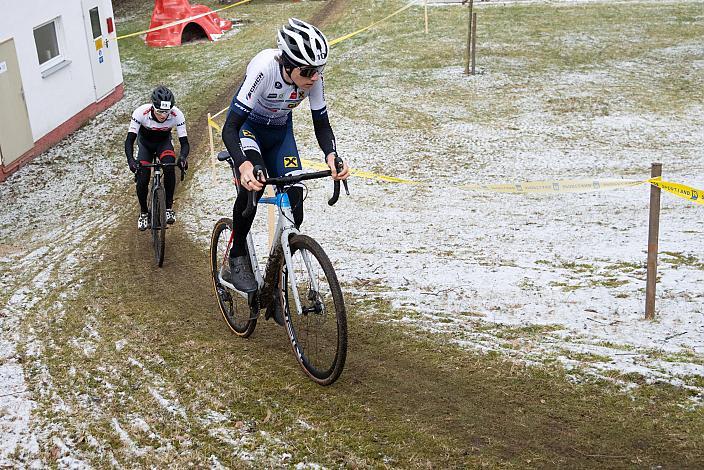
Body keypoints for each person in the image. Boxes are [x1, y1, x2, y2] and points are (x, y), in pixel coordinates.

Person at [221, 18, 349, 317]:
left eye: (318, 71)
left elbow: (321, 122)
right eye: (306, 72)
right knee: (255, 184)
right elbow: (230, 128)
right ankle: (237, 255)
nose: (313, 78)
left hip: (280, 134)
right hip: (248, 130)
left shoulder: (313, 78)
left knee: (295, 196)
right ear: (287, 64)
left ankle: (276, 282)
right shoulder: (265, 68)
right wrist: (242, 164)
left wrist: (332, 155)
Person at [125, 85, 189, 231]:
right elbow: (129, 140)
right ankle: (143, 213)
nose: (163, 116)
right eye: (160, 111)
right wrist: (131, 160)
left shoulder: (177, 115)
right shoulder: (141, 113)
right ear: (153, 106)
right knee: (143, 176)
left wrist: (183, 157)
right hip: (145, 145)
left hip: (163, 143)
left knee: (169, 166)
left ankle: (168, 209)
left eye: (166, 112)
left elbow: (184, 143)